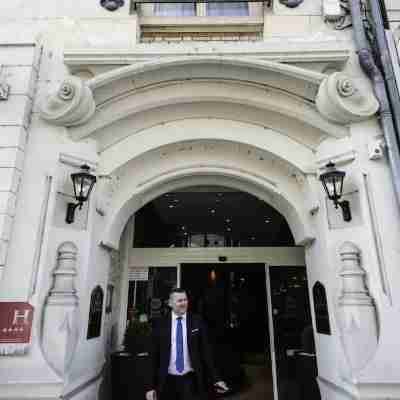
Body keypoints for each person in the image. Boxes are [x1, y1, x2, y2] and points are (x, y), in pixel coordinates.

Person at [145, 288, 229, 400]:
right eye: (179, 300)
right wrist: (150, 387)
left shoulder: (197, 321)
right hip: (166, 381)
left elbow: (206, 353)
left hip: (190, 380)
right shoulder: (159, 324)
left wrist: (216, 379)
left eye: (185, 300)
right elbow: (153, 357)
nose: (183, 303)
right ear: (170, 303)